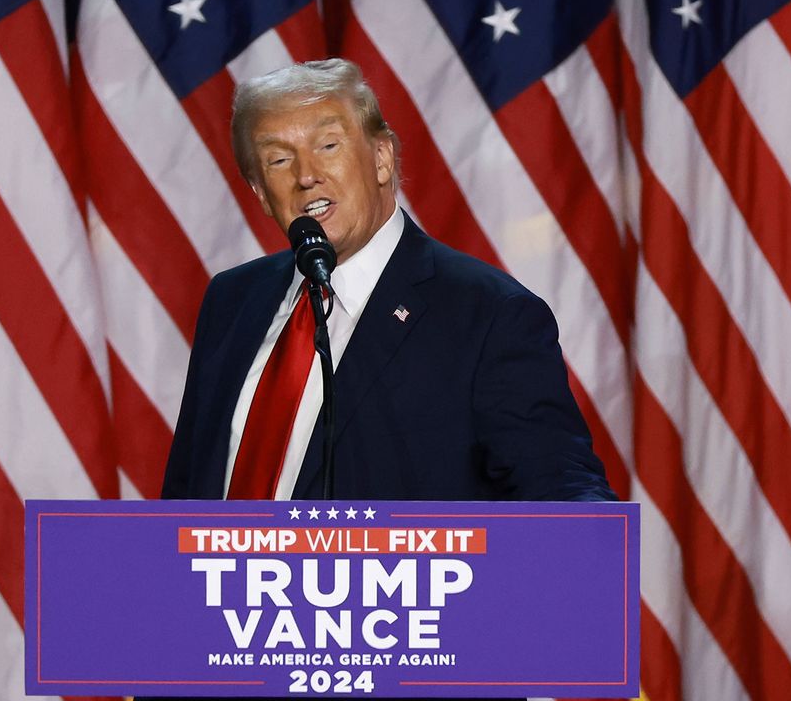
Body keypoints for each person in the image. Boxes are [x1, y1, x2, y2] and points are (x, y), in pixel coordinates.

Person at [162, 58, 615, 503]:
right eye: (279, 159)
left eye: (328, 146)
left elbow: (559, 483)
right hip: (220, 578)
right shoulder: (232, 299)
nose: (306, 176)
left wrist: (600, 555)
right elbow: (184, 496)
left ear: (381, 158)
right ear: (261, 192)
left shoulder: (488, 315)